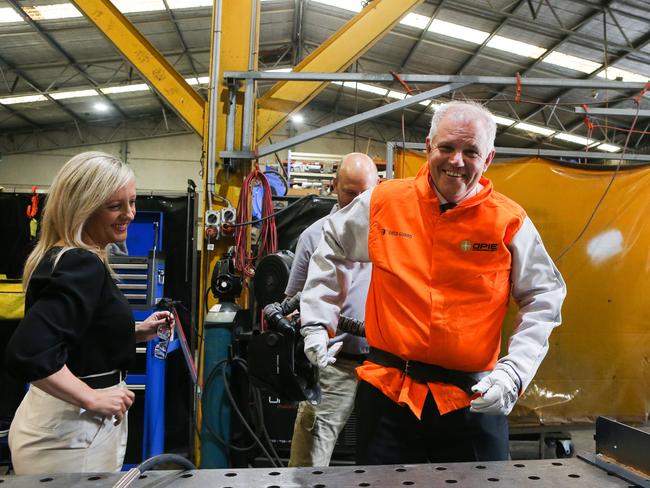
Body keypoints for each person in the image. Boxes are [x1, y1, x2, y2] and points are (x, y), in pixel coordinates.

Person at [299, 101, 567, 465]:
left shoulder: (508, 222)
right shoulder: (383, 203)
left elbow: (544, 296)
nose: (456, 161)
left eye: (470, 151)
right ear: (428, 147)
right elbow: (331, 244)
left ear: (488, 158)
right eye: (447, 148)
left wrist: (514, 371)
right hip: (388, 397)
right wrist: (317, 321)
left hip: (472, 399)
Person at [5, 151, 174, 474]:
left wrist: (137, 331)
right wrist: (91, 398)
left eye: (132, 202)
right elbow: (28, 352)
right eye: (115, 206)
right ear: (82, 209)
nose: (129, 214)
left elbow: (74, 334)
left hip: (69, 427)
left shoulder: (68, 258)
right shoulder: (80, 263)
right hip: (72, 433)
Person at [287, 153, 378, 467]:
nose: (357, 201)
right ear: (334, 187)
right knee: (311, 456)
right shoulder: (314, 236)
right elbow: (295, 302)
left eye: (364, 193)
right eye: (349, 192)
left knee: (385, 455)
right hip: (332, 367)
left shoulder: (391, 234)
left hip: (384, 365)